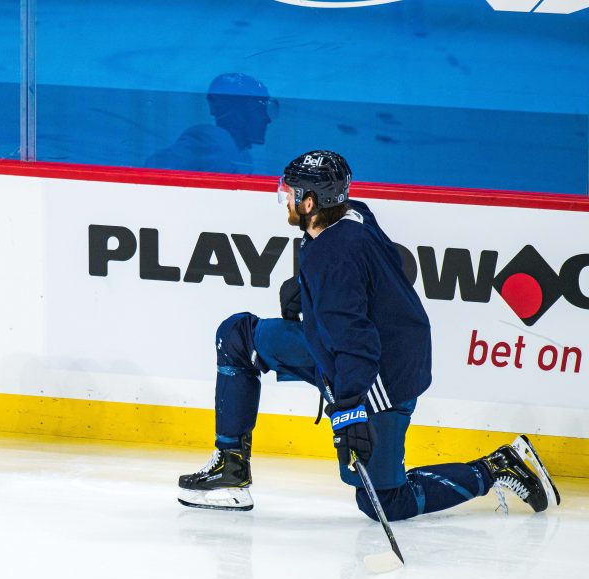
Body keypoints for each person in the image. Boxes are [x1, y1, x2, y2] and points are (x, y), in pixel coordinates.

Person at [177, 149, 561, 519]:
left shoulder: (334, 257)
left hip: (381, 372)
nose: (285, 199)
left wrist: (350, 411)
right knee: (237, 337)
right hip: (341, 346)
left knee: (384, 502)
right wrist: (305, 288)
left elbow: (357, 344)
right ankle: (230, 467)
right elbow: (366, 280)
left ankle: (497, 466)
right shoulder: (351, 214)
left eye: (290, 193)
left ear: (310, 202)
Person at [145, 73, 276, 174]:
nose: (267, 119)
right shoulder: (211, 142)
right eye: (260, 110)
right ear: (237, 114)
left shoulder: (242, 156)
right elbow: (154, 167)